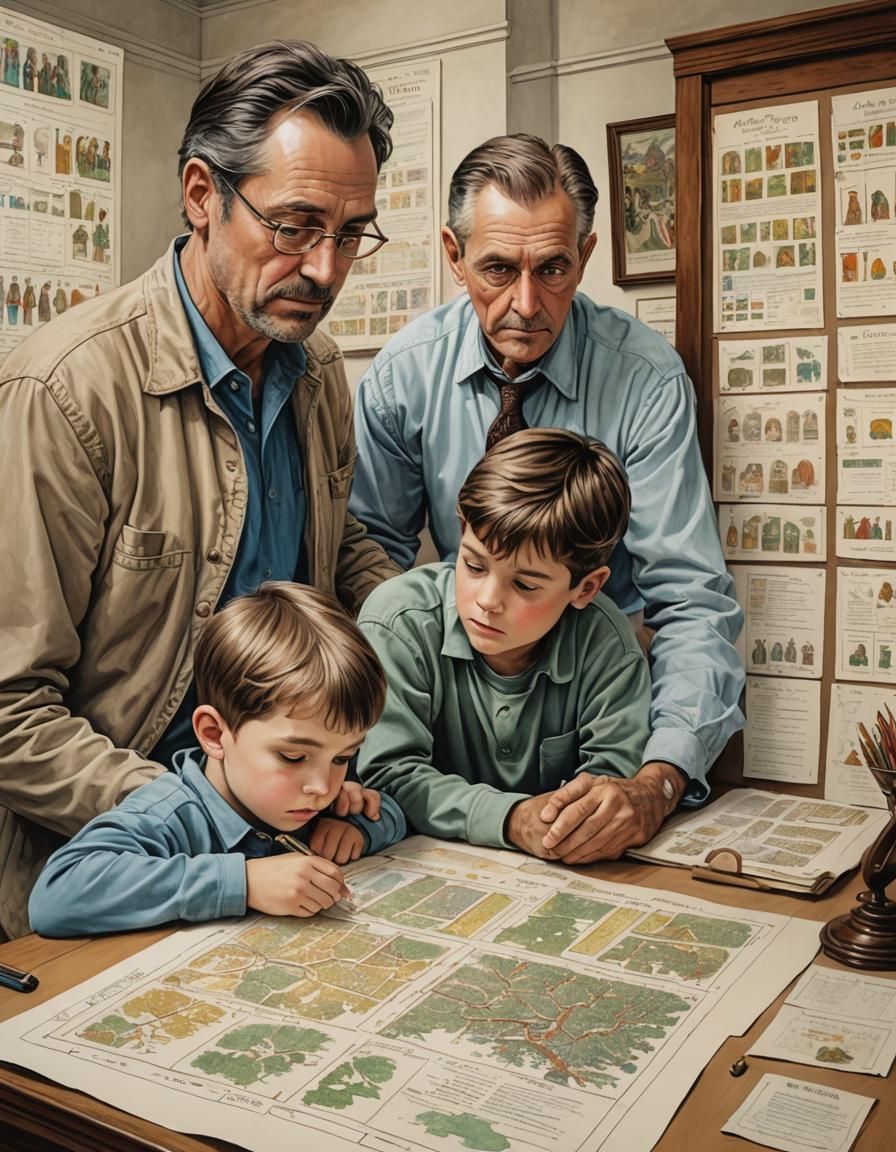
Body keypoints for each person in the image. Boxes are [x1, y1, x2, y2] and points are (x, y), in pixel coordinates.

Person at [0, 39, 400, 939]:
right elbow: (9, 710)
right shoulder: (64, 390)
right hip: (108, 874)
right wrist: (208, 824)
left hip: (275, 839)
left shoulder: (322, 369)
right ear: (200, 195)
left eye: (350, 234)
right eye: (295, 226)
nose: (327, 270)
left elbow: (336, 566)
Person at [351, 133, 744, 856]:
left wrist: (655, 781)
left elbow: (690, 600)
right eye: (498, 269)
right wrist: (427, 676)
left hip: (602, 725)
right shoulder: (403, 377)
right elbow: (368, 561)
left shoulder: (646, 380)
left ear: (586, 256)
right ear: (453, 254)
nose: (526, 304)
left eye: (554, 269)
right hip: (445, 741)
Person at [29, 583, 405, 936]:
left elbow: (391, 813)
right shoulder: (168, 815)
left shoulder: (316, 805)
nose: (322, 787)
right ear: (213, 734)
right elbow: (57, 894)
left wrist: (357, 828)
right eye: (293, 757)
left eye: (342, 758)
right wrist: (243, 883)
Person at [357, 429, 656, 864]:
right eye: (474, 565)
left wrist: (590, 817)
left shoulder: (607, 643)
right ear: (462, 532)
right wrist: (511, 818)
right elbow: (387, 775)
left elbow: (609, 782)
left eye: (525, 584)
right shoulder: (397, 622)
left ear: (586, 588)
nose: (487, 601)